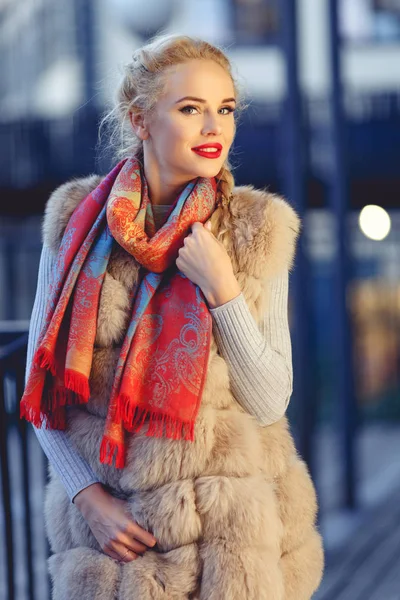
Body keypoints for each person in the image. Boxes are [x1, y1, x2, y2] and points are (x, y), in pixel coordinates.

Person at [22, 34, 324, 599]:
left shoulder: (256, 228)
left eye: (225, 109)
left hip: (233, 545)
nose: (215, 128)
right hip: (118, 541)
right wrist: (88, 497)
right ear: (141, 120)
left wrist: (222, 289)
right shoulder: (74, 222)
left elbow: (270, 398)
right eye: (191, 109)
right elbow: (43, 389)